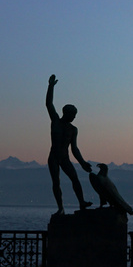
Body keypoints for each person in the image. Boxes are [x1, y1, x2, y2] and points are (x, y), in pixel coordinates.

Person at [45, 74, 92, 214]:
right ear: (67, 113)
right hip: (53, 157)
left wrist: (83, 162)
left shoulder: (73, 129)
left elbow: (74, 149)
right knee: (56, 182)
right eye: (73, 114)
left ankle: (81, 203)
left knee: (75, 179)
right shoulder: (56, 122)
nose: (74, 117)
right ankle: (61, 208)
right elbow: (49, 104)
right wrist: (51, 87)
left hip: (65, 158)